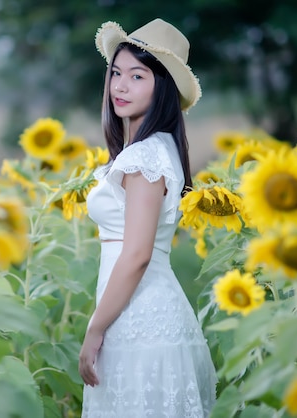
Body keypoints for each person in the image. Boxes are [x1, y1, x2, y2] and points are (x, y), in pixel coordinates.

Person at [78, 18, 217, 417]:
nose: (120, 86)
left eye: (137, 76)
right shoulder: (156, 148)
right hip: (144, 316)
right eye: (116, 73)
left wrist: (95, 330)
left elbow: (137, 254)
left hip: (139, 322)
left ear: (163, 89)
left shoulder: (144, 158)